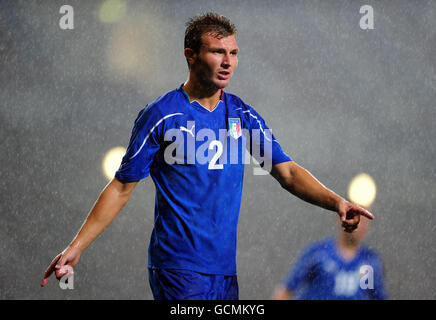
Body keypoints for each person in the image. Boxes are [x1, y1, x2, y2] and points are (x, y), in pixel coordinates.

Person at [41, 13, 374, 300]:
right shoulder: (162, 115)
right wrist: (77, 245)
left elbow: (286, 173)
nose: (228, 61)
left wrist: (337, 203)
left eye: (233, 52)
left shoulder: (241, 115)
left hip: (224, 271)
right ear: (191, 55)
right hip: (178, 268)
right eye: (218, 52)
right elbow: (121, 188)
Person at [273, 212, 387, 300]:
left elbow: (376, 296)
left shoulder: (369, 262)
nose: (359, 224)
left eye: (365, 220)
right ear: (340, 218)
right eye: (355, 217)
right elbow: (286, 290)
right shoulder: (319, 254)